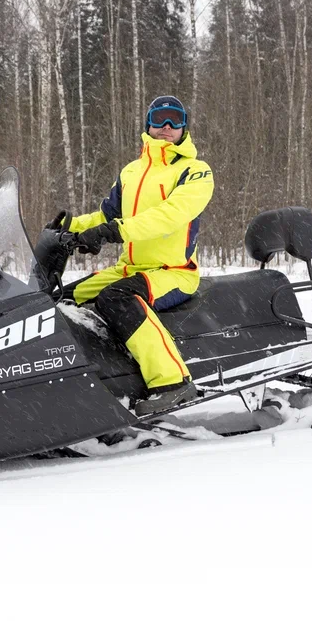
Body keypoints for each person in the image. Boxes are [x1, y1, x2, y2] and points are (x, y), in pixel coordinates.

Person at [53, 95, 215, 416]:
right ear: (148, 125)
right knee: (65, 298)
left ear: (185, 126)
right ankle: (84, 379)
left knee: (116, 298)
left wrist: (116, 231)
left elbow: (170, 215)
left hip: (172, 272)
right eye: (159, 119)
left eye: (175, 119)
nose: (167, 127)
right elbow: (105, 215)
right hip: (129, 268)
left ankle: (173, 382)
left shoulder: (196, 172)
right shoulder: (131, 172)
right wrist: (68, 227)